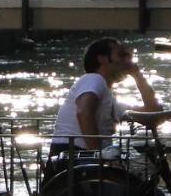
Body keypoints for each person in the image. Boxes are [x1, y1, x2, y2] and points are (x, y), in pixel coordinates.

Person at [48, 37, 162, 169]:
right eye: (121, 55)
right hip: (74, 156)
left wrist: (137, 74)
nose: (126, 60)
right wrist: (98, 156)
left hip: (80, 156)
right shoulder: (94, 79)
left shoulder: (110, 101)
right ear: (102, 59)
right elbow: (84, 113)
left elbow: (153, 110)